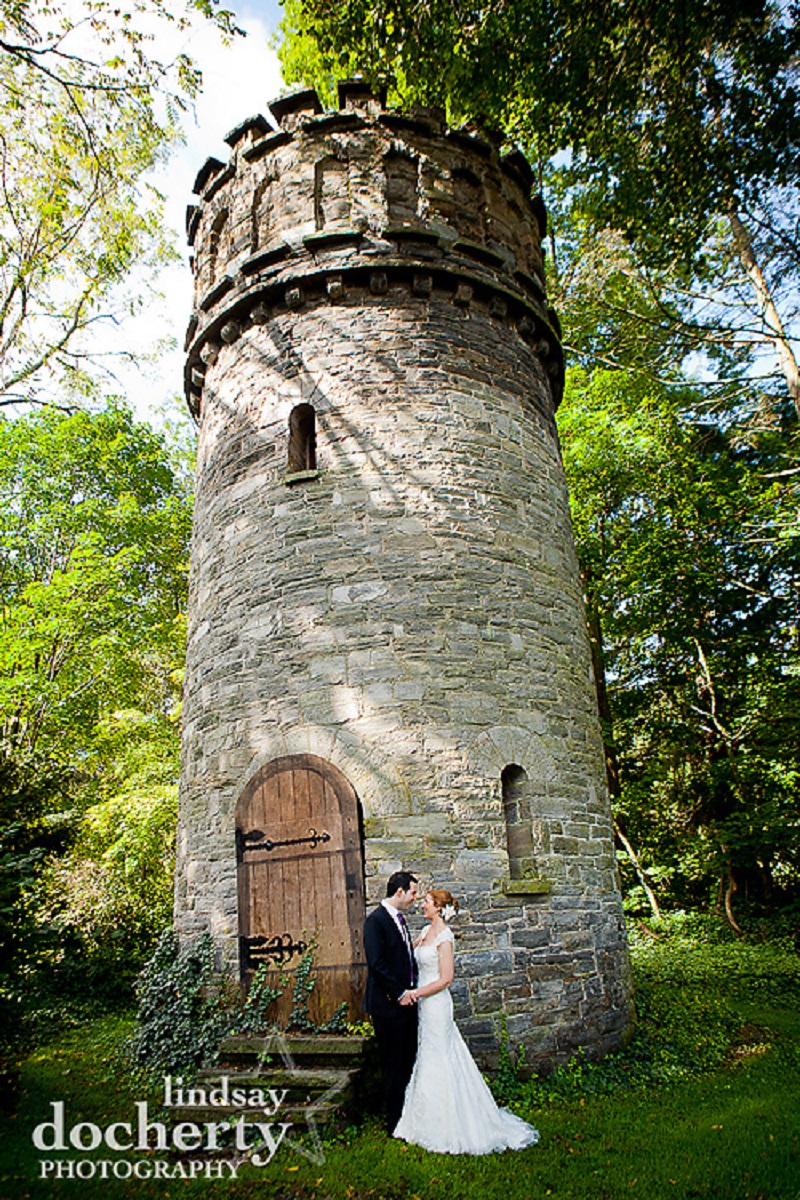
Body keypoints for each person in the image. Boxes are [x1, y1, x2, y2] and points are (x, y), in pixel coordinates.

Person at [393, 888, 539, 1155]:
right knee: (427, 1054)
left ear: (438, 907)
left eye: (425, 902)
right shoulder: (425, 933)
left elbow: (446, 979)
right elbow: (407, 955)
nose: (421, 905)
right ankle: (422, 1121)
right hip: (425, 1005)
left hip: (436, 1004)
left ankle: (451, 1124)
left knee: (441, 1056)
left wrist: (415, 993)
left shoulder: (445, 937)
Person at [362, 870, 419, 1131]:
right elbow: (377, 963)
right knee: (392, 1064)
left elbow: (401, 956)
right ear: (400, 892)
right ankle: (394, 1122)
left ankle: (408, 1116)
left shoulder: (399, 920)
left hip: (406, 1003)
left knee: (407, 1059)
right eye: (413, 893)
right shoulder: (375, 921)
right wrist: (399, 993)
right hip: (388, 1006)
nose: (414, 899)